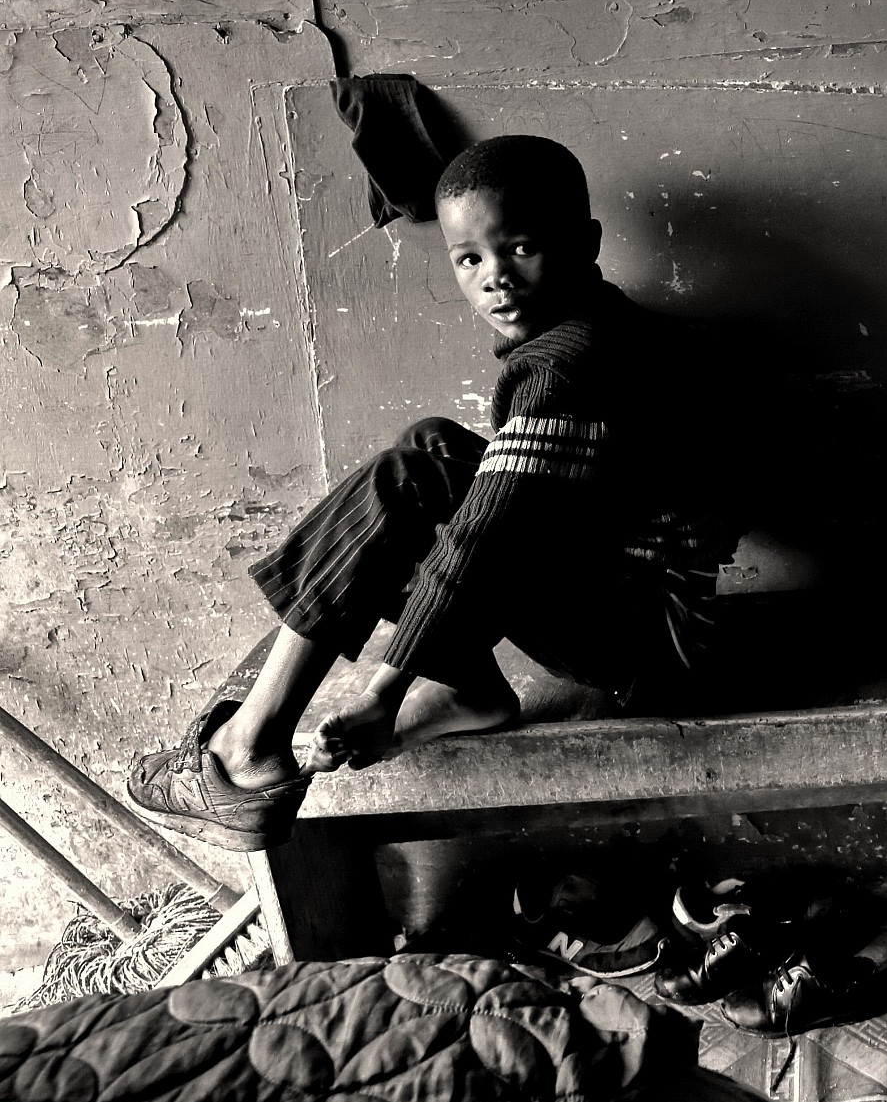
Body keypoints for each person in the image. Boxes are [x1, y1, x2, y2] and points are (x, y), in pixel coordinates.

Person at [126, 135, 741, 853]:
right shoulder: (599, 329)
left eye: (520, 247)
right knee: (437, 450)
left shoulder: (569, 365)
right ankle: (463, 691)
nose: (496, 279)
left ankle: (246, 748)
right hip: (632, 604)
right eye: (470, 259)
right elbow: (504, 515)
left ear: (586, 242)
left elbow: (487, 535)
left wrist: (381, 694)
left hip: (643, 638)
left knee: (416, 475)